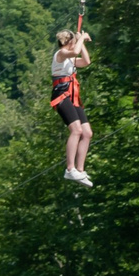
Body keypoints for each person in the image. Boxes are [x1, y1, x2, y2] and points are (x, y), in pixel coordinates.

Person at [50, 27, 94, 186]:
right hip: (61, 95)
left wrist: (81, 42)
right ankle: (70, 169)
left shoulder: (70, 58)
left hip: (72, 96)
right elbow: (74, 52)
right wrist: (80, 39)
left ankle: (80, 170)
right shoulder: (61, 54)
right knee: (76, 130)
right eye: (74, 41)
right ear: (68, 42)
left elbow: (86, 61)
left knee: (87, 133)